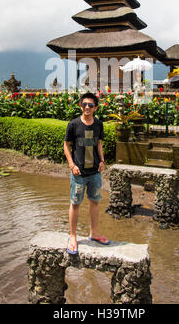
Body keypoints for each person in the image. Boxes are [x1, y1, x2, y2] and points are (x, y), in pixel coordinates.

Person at [64, 92, 110, 254]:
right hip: (79, 173)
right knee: (75, 203)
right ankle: (72, 236)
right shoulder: (74, 125)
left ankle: (94, 233)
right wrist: (71, 164)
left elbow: (98, 144)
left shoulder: (98, 124)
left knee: (95, 202)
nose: (87, 107)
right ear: (80, 106)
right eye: (84, 104)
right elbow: (66, 145)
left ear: (95, 108)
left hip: (95, 172)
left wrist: (102, 161)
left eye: (91, 105)